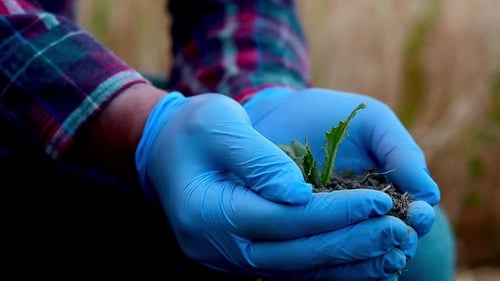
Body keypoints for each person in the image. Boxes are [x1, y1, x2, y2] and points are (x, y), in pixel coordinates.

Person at [0, 0, 455, 280]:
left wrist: (257, 95)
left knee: (416, 251)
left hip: (51, 87)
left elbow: (237, 8)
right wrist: (142, 123)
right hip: (30, 99)